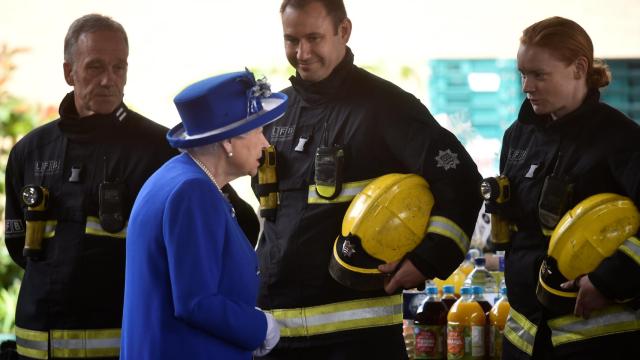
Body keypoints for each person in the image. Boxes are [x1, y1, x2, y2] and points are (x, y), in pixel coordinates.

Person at [253, 0, 483, 358]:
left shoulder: (387, 107)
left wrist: (426, 259)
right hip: (277, 336)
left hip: (358, 339)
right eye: (291, 40)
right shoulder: (275, 112)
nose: (302, 53)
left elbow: (462, 182)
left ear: (343, 31)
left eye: (314, 38)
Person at [3, 14, 178, 359]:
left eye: (118, 67)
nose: (108, 80)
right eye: (95, 67)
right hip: (36, 347)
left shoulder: (160, 149)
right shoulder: (30, 151)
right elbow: (17, 244)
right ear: (69, 72)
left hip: (119, 347)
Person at [496, 16, 640, 360]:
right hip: (524, 340)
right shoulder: (518, 137)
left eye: (539, 74)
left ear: (578, 68)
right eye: (522, 74)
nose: (526, 86)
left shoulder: (622, 140)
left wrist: (608, 281)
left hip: (595, 342)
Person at [120, 70, 287, 359]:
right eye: (257, 130)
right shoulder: (193, 192)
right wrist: (261, 327)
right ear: (227, 141)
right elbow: (196, 301)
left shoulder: (175, 177)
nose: (265, 143)